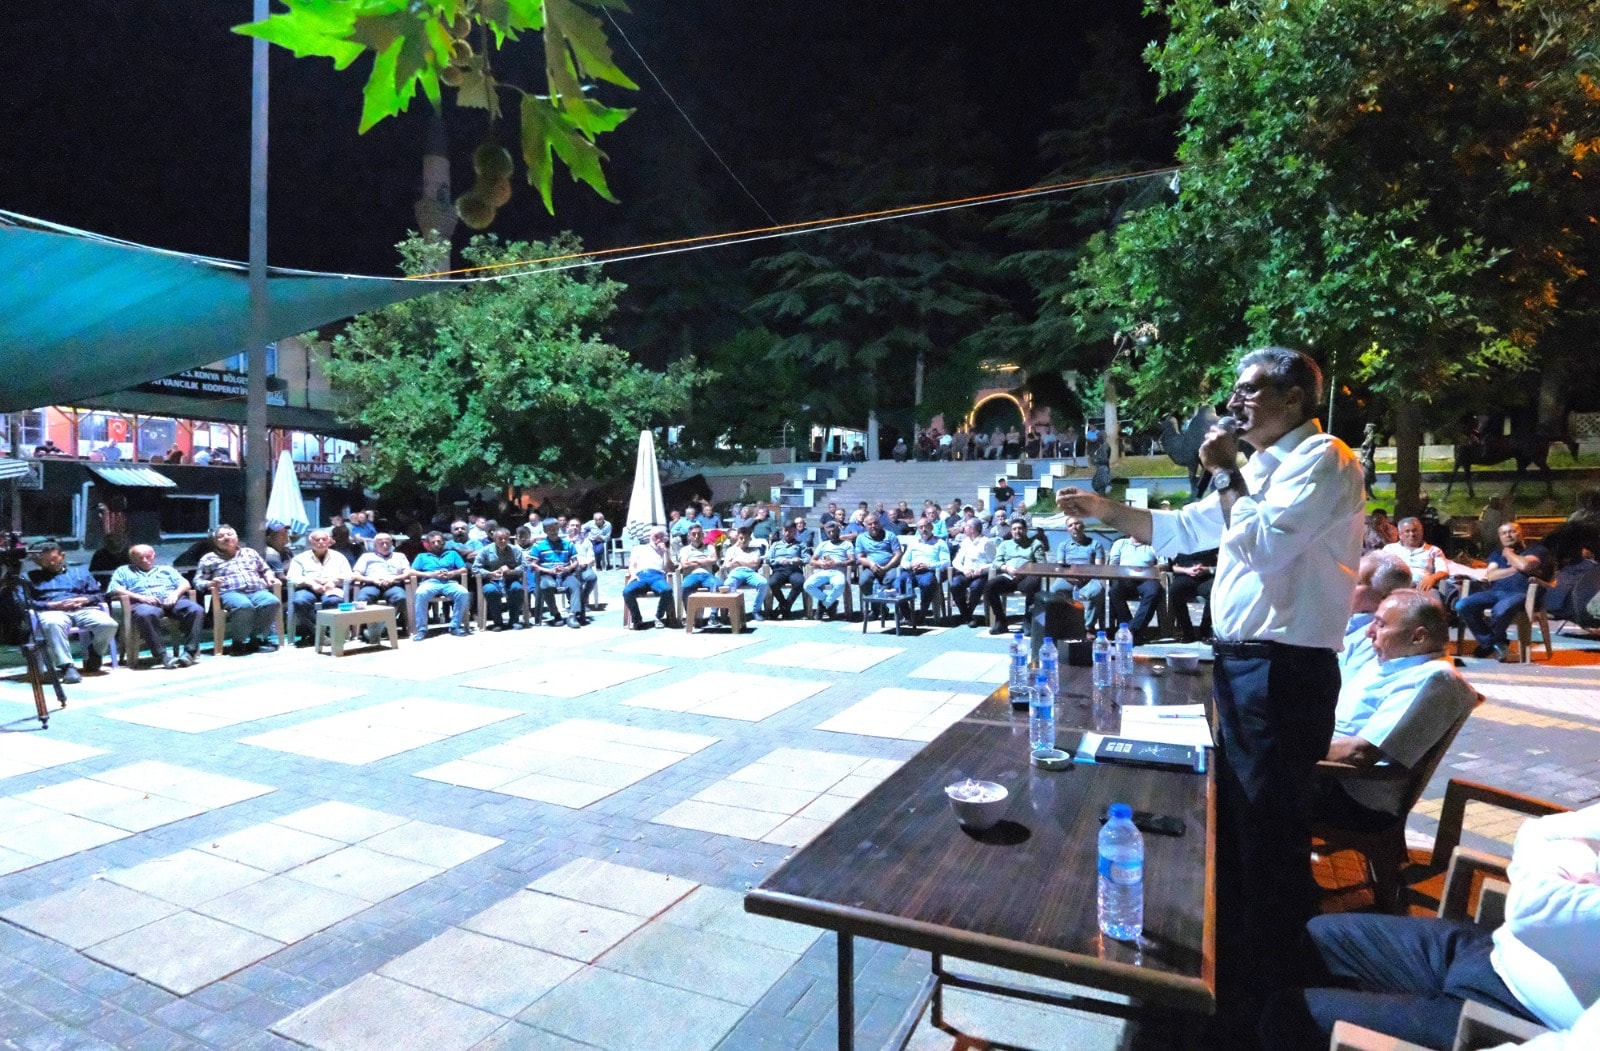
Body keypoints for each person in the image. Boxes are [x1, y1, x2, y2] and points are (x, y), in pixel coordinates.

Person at [1057, 346, 1366, 1035]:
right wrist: (1102, 507)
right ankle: (1247, 969)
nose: (1234, 401)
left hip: (1283, 670)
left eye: (1250, 389)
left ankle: (1281, 996)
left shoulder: (1326, 459)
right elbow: (1178, 530)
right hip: (1246, 664)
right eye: (1235, 388)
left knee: (1269, 827)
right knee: (1244, 820)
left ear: (1293, 397)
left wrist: (1226, 471)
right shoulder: (1261, 470)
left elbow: (1264, 548)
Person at [1262, 801, 1600, 1051]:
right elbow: (1537, 832)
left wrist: (1554, 877)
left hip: (1510, 1017)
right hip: (1492, 950)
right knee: (1317, 937)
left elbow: (1531, 909)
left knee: (1291, 1015)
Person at [1314, 589, 1478, 829]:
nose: (1369, 632)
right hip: (1327, 776)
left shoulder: (1433, 678)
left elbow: (1361, 753)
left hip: (1351, 795)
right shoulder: (1391, 662)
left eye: (1380, 625)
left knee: (1256, 778)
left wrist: (1288, 749)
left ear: (1418, 637)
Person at [1457, 522, 1553, 661]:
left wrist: (1508, 554)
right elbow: (1491, 575)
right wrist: (1514, 569)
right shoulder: (1496, 554)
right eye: (1503, 533)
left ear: (1521, 533)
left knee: (1501, 610)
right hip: (1495, 592)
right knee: (1463, 605)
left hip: (1522, 594)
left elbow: (1525, 565)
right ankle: (1494, 643)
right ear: (1500, 537)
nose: (1508, 535)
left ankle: (1489, 644)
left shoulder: (1536, 550)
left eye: (1512, 532)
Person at [25, 542, 117, 683]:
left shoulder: (80, 572)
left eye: (53, 559)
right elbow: (23, 601)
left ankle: (95, 651)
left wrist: (85, 599)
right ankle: (67, 666)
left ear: (62, 556)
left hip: (82, 608)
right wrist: (51, 605)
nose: (50, 563)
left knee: (108, 624)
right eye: (45, 560)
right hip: (52, 611)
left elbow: (99, 595)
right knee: (53, 623)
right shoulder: (29, 577)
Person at [108, 544, 204, 669]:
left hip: (172, 600)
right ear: (132, 559)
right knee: (145, 614)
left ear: (154, 556)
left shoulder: (166, 569)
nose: (145, 560)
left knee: (196, 610)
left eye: (148, 556)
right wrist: (140, 597)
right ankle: (162, 655)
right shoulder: (124, 571)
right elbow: (114, 589)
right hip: (143, 603)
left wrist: (175, 594)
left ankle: (189, 653)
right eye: (140, 557)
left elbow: (185, 584)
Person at [194, 524, 283, 655]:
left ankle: (257, 640)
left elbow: (265, 569)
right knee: (244, 606)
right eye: (221, 536)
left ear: (236, 538)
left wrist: (270, 577)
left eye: (230, 534)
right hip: (229, 593)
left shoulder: (250, 553)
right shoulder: (209, 558)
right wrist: (210, 583)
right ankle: (238, 643)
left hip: (256, 591)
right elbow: (197, 582)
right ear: (215, 542)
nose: (226, 538)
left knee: (271, 601)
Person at [1341, 553, 1415, 682]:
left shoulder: (1376, 639)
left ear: (1385, 596)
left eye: (1357, 582)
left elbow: (1346, 685)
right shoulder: (1342, 621)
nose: (1345, 585)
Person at [287, 529, 352, 646]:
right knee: (300, 601)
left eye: (324, 539)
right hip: (307, 588)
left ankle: (327, 633)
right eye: (317, 539)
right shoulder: (300, 558)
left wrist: (334, 581)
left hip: (331, 588)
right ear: (310, 542)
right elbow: (292, 577)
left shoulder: (339, 557)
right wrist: (311, 583)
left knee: (334, 601)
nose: (321, 542)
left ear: (329, 541)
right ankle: (317, 632)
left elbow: (348, 575)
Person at [985, 517, 1045, 635]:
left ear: (1026, 530)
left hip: (1027, 577)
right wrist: (1006, 568)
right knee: (990, 585)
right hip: (1009, 577)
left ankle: (1028, 620)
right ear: (1011, 531)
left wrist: (1026, 570)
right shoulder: (1005, 544)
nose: (1017, 531)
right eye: (1014, 529)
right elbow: (996, 562)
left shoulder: (1035, 544)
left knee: (1032, 585)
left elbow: (1042, 564)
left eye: (1020, 528)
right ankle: (1001, 621)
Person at [409, 530, 471, 640]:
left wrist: (452, 573)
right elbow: (411, 571)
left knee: (463, 593)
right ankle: (421, 629)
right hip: (430, 582)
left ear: (443, 542)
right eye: (433, 542)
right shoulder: (422, 556)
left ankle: (455, 626)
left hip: (449, 582)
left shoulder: (452, 554)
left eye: (439, 541)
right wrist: (430, 574)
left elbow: (464, 569)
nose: (436, 544)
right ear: (428, 544)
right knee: (420, 593)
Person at [527, 518, 585, 628]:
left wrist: (567, 568)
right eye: (550, 529)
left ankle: (572, 615)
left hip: (565, 574)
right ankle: (555, 614)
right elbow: (533, 564)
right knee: (546, 586)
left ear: (558, 528)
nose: (553, 531)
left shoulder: (568, 544)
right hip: (547, 574)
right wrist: (548, 570)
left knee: (576, 585)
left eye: (555, 528)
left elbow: (575, 562)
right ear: (545, 530)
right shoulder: (538, 546)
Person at [1107, 533, 1165, 639]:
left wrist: (1146, 569)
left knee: (1154, 591)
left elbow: (1164, 563)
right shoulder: (1120, 543)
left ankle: (1131, 630)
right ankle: (1131, 630)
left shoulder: (1153, 545)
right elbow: (1113, 565)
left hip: (1146, 578)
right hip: (1124, 578)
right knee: (1114, 591)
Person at [621, 527, 676, 630]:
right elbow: (632, 565)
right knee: (627, 591)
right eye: (656, 536)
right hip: (641, 575)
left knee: (667, 590)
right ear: (649, 536)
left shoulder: (665, 550)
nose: (658, 539)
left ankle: (658, 617)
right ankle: (637, 619)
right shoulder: (639, 548)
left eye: (661, 537)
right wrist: (633, 574)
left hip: (657, 576)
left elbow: (671, 568)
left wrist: (665, 552)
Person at [474, 528, 528, 630]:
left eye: (506, 539)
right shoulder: (485, 551)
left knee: (517, 588)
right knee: (490, 591)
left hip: (510, 579)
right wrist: (490, 573)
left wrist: (511, 571)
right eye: (500, 539)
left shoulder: (515, 550)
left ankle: (514, 620)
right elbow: (475, 568)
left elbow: (524, 566)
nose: (503, 541)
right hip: (492, 581)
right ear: (494, 539)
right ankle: (497, 622)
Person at [899, 516, 951, 617]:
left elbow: (946, 562)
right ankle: (907, 615)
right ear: (917, 530)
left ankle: (922, 613)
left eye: (926, 526)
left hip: (928, 572)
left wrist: (928, 566)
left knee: (927, 583)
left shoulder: (940, 543)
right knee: (898, 582)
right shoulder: (913, 543)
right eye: (920, 527)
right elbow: (903, 561)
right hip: (912, 571)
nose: (923, 529)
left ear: (931, 527)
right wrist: (910, 565)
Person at [351, 533, 410, 620]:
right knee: (363, 598)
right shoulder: (366, 557)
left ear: (392, 544)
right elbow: (355, 575)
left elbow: (407, 573)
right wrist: (373, 580)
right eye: (381, 543)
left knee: (400, 597)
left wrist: (393, 578)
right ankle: (371, 623)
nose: (385, 546)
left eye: (387, 543)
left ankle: (387, 622)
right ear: (375, 545)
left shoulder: (400, 556)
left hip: (393, 584)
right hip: (371, 584)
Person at [803, 520, 854, 620]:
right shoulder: (823, 544)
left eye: (833, 531)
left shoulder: (846, 544)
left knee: (839, 585)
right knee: (807, 585)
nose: (831, 534)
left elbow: (852, 560)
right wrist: (821, 563)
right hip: (824, 571)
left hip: (838, 571)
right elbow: (812, 560)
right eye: (829, 532)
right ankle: (831, 602)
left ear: (838, 531)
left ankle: (823, 604)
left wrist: (837, 563)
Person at [949, 519, 996, 627]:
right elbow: (956, 561)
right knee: (955, 585)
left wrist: (982, 569)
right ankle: (967, 615)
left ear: (972, 529)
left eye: (966, 526)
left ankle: (967, 614)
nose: (964, 528)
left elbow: (994, 562)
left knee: (976, 587)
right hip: (966, 572)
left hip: (981, 574)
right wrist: (964, 569)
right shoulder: (965, 542)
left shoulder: (986, 542)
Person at [1166, 549, 1218, 643]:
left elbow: (1221, 566)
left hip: (1207, 577)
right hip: (1185, 576)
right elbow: (1171, 567)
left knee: (1215, 592)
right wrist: (1187, 570)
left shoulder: (1212, 546)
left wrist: (1206, 569)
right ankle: (1187, 631)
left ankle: (1205, 630)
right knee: (1175, 590)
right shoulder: (1179, 546)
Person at [721, 526, 770, 621]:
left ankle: (756, 610)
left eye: (746, 538)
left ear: (750, 539)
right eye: (741, 538)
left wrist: (737, 561)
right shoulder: (731, 550)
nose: (743, 541)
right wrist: (747, 562)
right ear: (737, 537)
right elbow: (727, 565)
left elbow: (755, 564)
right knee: (728, 584)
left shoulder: (755, 550)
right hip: (736, 573)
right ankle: (733, 610)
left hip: (750, 573)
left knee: (763, 583)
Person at [764, 521, 809, 619]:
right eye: (786, 531)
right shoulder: (776, 545)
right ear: (782, 531)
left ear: (795, 532)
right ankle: (785, 606)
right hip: (779, 569)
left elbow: (807, 558)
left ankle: (784, 607)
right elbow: (767, 558)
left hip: (794, 569)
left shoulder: (800, 544)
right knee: (772, 583)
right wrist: (778, 561)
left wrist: (798, 560)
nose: (788, 533)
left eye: (791, 531)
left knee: (800, 582)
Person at [854, 514, 904, 596]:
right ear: (865, 526)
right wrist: (871, 564)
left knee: (891, 578)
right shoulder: (861, 538)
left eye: (875, 523)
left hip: (890, 567)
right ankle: (874, 602)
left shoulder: (889, 535)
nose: (873, 526)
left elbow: (898, 554)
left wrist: (886, 568)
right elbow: (860, 557)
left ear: (879, 523)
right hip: (871, 568)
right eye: (870, 524)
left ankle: (881, 599)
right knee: (864, 581)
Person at [564, 520, 601, 613]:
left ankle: (582, 601)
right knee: (570, 579)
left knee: (592, 577)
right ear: (567, 527)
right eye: (572, 525)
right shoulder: (563, 542)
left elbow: (591, 557)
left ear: (580, 528)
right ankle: (573, 603)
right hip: (569, 568)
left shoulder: (586, 541)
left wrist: (586, 564)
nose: (575, 527)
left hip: (584, 567)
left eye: (577, 526)